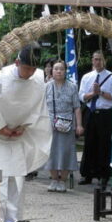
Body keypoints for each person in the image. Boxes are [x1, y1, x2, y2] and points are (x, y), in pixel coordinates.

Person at [0, 43, 52, 222]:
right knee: (0, 178)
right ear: (17, 62)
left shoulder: (39, 78)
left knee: (17, 178)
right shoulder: (1, 76)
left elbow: (40, 106)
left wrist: (24, 126)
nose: (30, 72)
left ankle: (12, 219)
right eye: (26, 68)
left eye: (33, 68)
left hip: (19, 134)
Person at [45, 60, 84, 192]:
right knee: (51, 152)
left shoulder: (72, 87)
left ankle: (63, 181)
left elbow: (77, 108)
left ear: (65, 71)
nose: (58, 71)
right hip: (50, 123)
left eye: (61, 69)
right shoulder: (47, 86)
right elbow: (42, 106)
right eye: (56, 69)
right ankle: (54, 179)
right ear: (52, 71)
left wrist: (79, 125)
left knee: (66, 152)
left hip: (67, 123)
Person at [78, 50, 112, 186]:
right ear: (92, 60)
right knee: (89, 143)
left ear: (104, 61)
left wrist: (101, 93)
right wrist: (93, 93)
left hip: (105, 114)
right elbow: (81, 96)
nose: (97, 62)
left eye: (100, 59)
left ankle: (103, 174)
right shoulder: (87, 77)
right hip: (91, 112)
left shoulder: (111, 77)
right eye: (95, 59)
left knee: (104, 144)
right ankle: (87, 174)